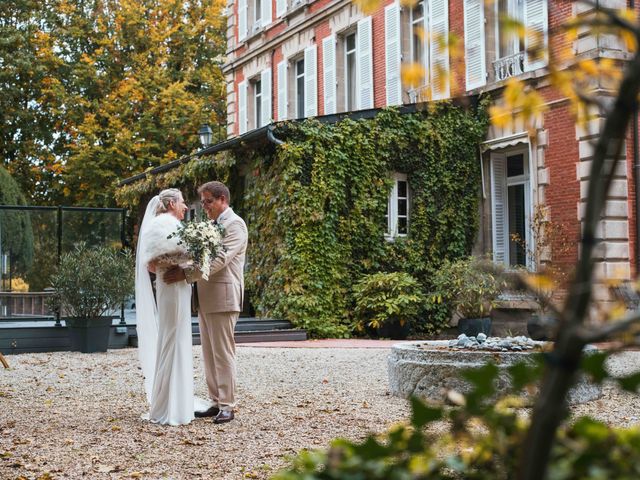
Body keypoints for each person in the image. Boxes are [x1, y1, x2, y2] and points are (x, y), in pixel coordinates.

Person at [164, 181, 247, 424]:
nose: (205, 206)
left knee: (222, 353)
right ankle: (215, 400)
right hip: (205, 298)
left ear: (223, 200)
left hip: (224, 297)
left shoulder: (235, 225)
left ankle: (228, 405)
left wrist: (186, 274)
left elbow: (221, 259)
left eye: (208, 201)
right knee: (209, 354)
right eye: (203, 202)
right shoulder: (211, 226)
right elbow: (201, 256)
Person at [136, 188, 210, 425]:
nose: (186, 206)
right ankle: (168, 407)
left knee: (177, 340)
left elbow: (155, 263)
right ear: (170, 204)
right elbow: (152, 263)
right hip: (171, 288)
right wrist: (180, 263)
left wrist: (184, 264)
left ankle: (176, 403)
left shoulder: (169, 225)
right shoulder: (162, 225)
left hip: (177, 286)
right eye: (182, 202)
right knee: (172, 340)